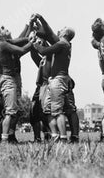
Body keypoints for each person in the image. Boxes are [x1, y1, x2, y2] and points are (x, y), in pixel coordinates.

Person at [31, 14, 77, 143]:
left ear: (66, 34)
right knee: (49, 110)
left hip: (58, 79)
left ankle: (62, 137)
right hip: (56, 79)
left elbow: (44, 51)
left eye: (62, 29)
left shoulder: (62, 44)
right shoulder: (65, 44)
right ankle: (55, 136)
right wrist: (41, 19)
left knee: (57, 111)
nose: (60, 29)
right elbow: (49, 32)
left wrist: (34, 44)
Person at [0, 24, 34, 143]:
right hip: (8, 79)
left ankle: (7, 137)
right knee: (10, 112)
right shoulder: (3, 44)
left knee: (13, 111)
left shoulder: (5, 42)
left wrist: (29, 34)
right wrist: (32, 41)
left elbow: (19, 40)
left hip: (11, 78)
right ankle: (4, 140)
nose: (4, 27)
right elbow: (22, 49)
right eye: (2, 28)